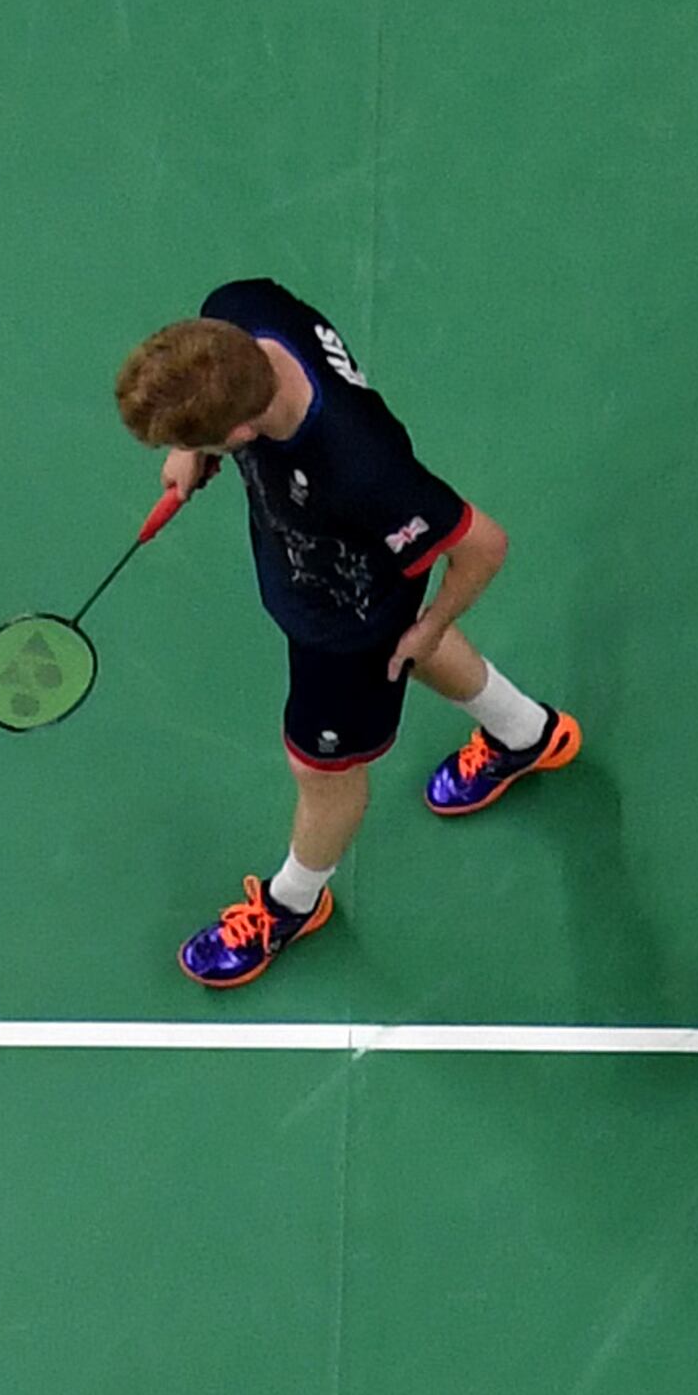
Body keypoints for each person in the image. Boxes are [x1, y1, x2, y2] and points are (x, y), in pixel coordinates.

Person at [112, 280, 583, 987]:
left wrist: (431, 624)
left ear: (242, 434)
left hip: (348, 624)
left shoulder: (358, 467)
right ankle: (528, 734)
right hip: (315, 572)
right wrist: (192, 452)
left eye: (199, 440)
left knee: (322, 774)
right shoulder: (241, 312)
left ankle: (292, 903)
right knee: (410, 655)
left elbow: (483, 544)